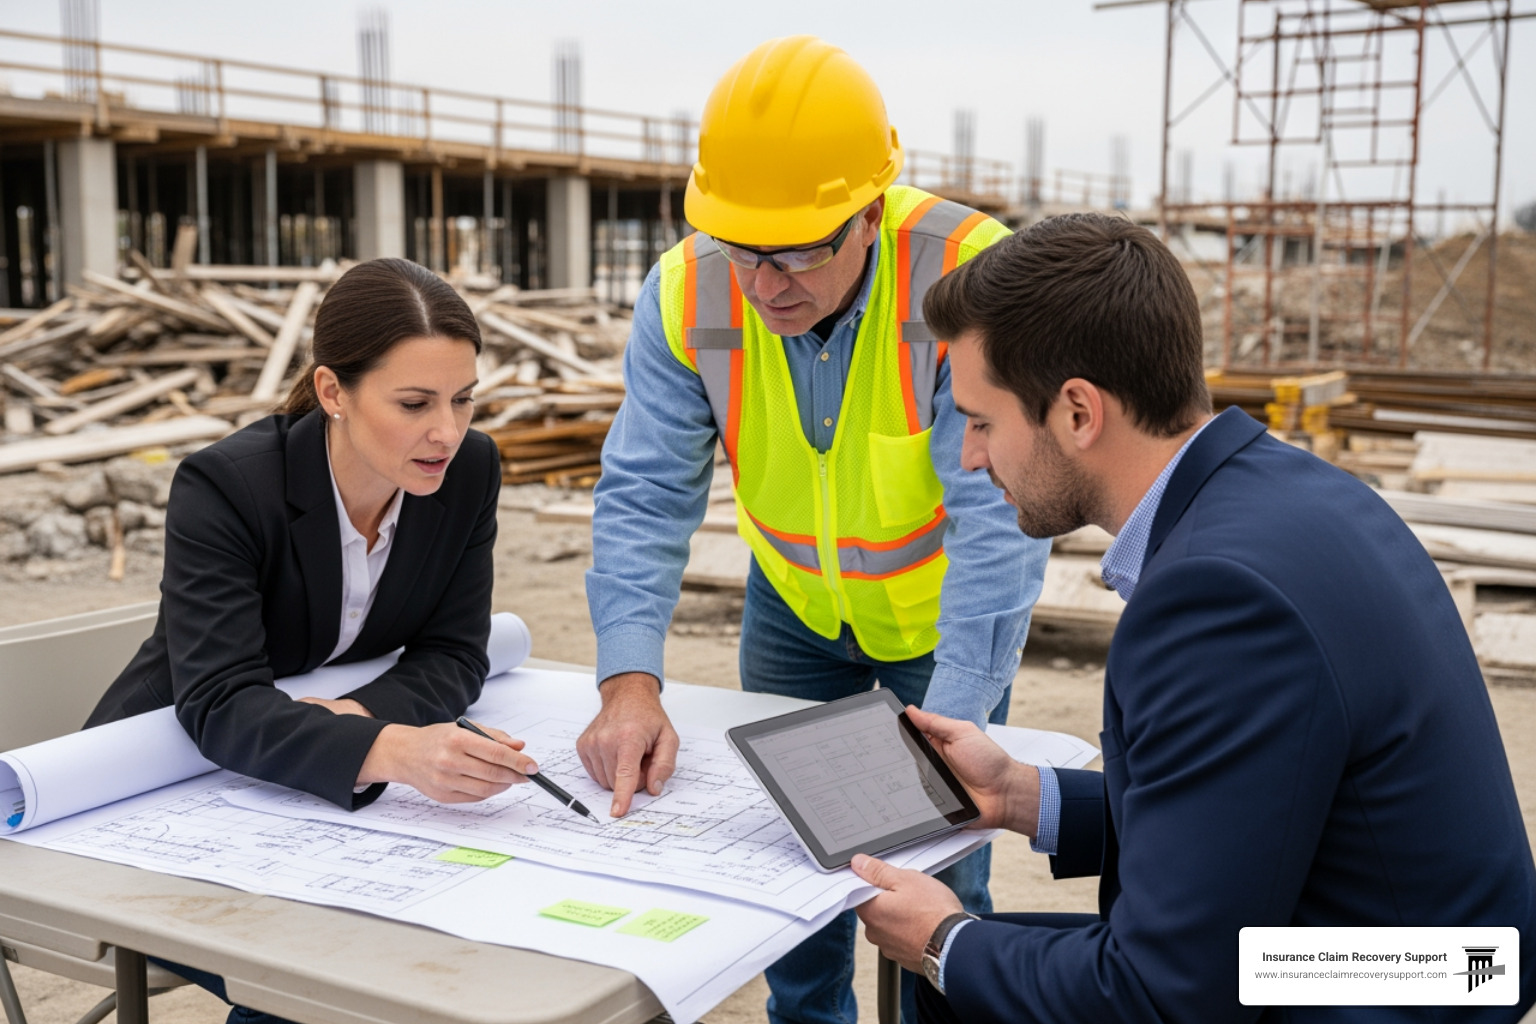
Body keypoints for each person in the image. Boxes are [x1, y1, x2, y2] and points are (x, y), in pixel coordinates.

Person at [849, 212, 1536, 1022]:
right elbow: (1250, 815)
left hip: (1394, 991)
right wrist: (1021, 796)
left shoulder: (1214, 597)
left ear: (1077, 412)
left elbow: (1165, 994)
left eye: (981, 421)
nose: (967, 456)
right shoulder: (1290, 491)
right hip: (1442, 957)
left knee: (960, 976)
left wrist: (941, 940)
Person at [577, 34, 1050, 1024]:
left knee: (937, 877)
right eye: (747, 249)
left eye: (800, 251)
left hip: (939, 619)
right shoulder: (684, 290)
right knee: (793, 871)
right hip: (794, 612)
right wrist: (628, 679)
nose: (765, 283)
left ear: (869, 214)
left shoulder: (972, 279)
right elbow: (646, 489)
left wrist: (954, 721)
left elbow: (998, 518)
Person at [85, 257, 536, 1024]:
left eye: (463, 400)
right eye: (415, 403)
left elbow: (457, 651)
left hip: (298, 794)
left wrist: (360, 719)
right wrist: (391, 749)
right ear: (333, 392)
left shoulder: (468, 473)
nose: (448, 432)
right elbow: (221, 698)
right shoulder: (227, 487)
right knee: (329, 987)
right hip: (163, 788)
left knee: (453, 960)